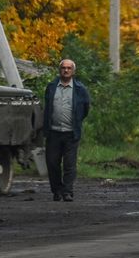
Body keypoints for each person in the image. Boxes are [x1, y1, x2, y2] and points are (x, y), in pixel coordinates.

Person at [43, 59, 91, 202]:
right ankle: (57, 191)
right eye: (63, 68)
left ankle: (67, 192)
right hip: (54, 132)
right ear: (60, 70)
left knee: (69, 164)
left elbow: (85, 109)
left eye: (69, 68)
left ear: (73, 71)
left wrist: (76, 121)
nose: (66, 70)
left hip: (71, 133)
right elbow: (47, 107)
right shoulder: (51, 87)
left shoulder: (80, 89)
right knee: (52, 163)